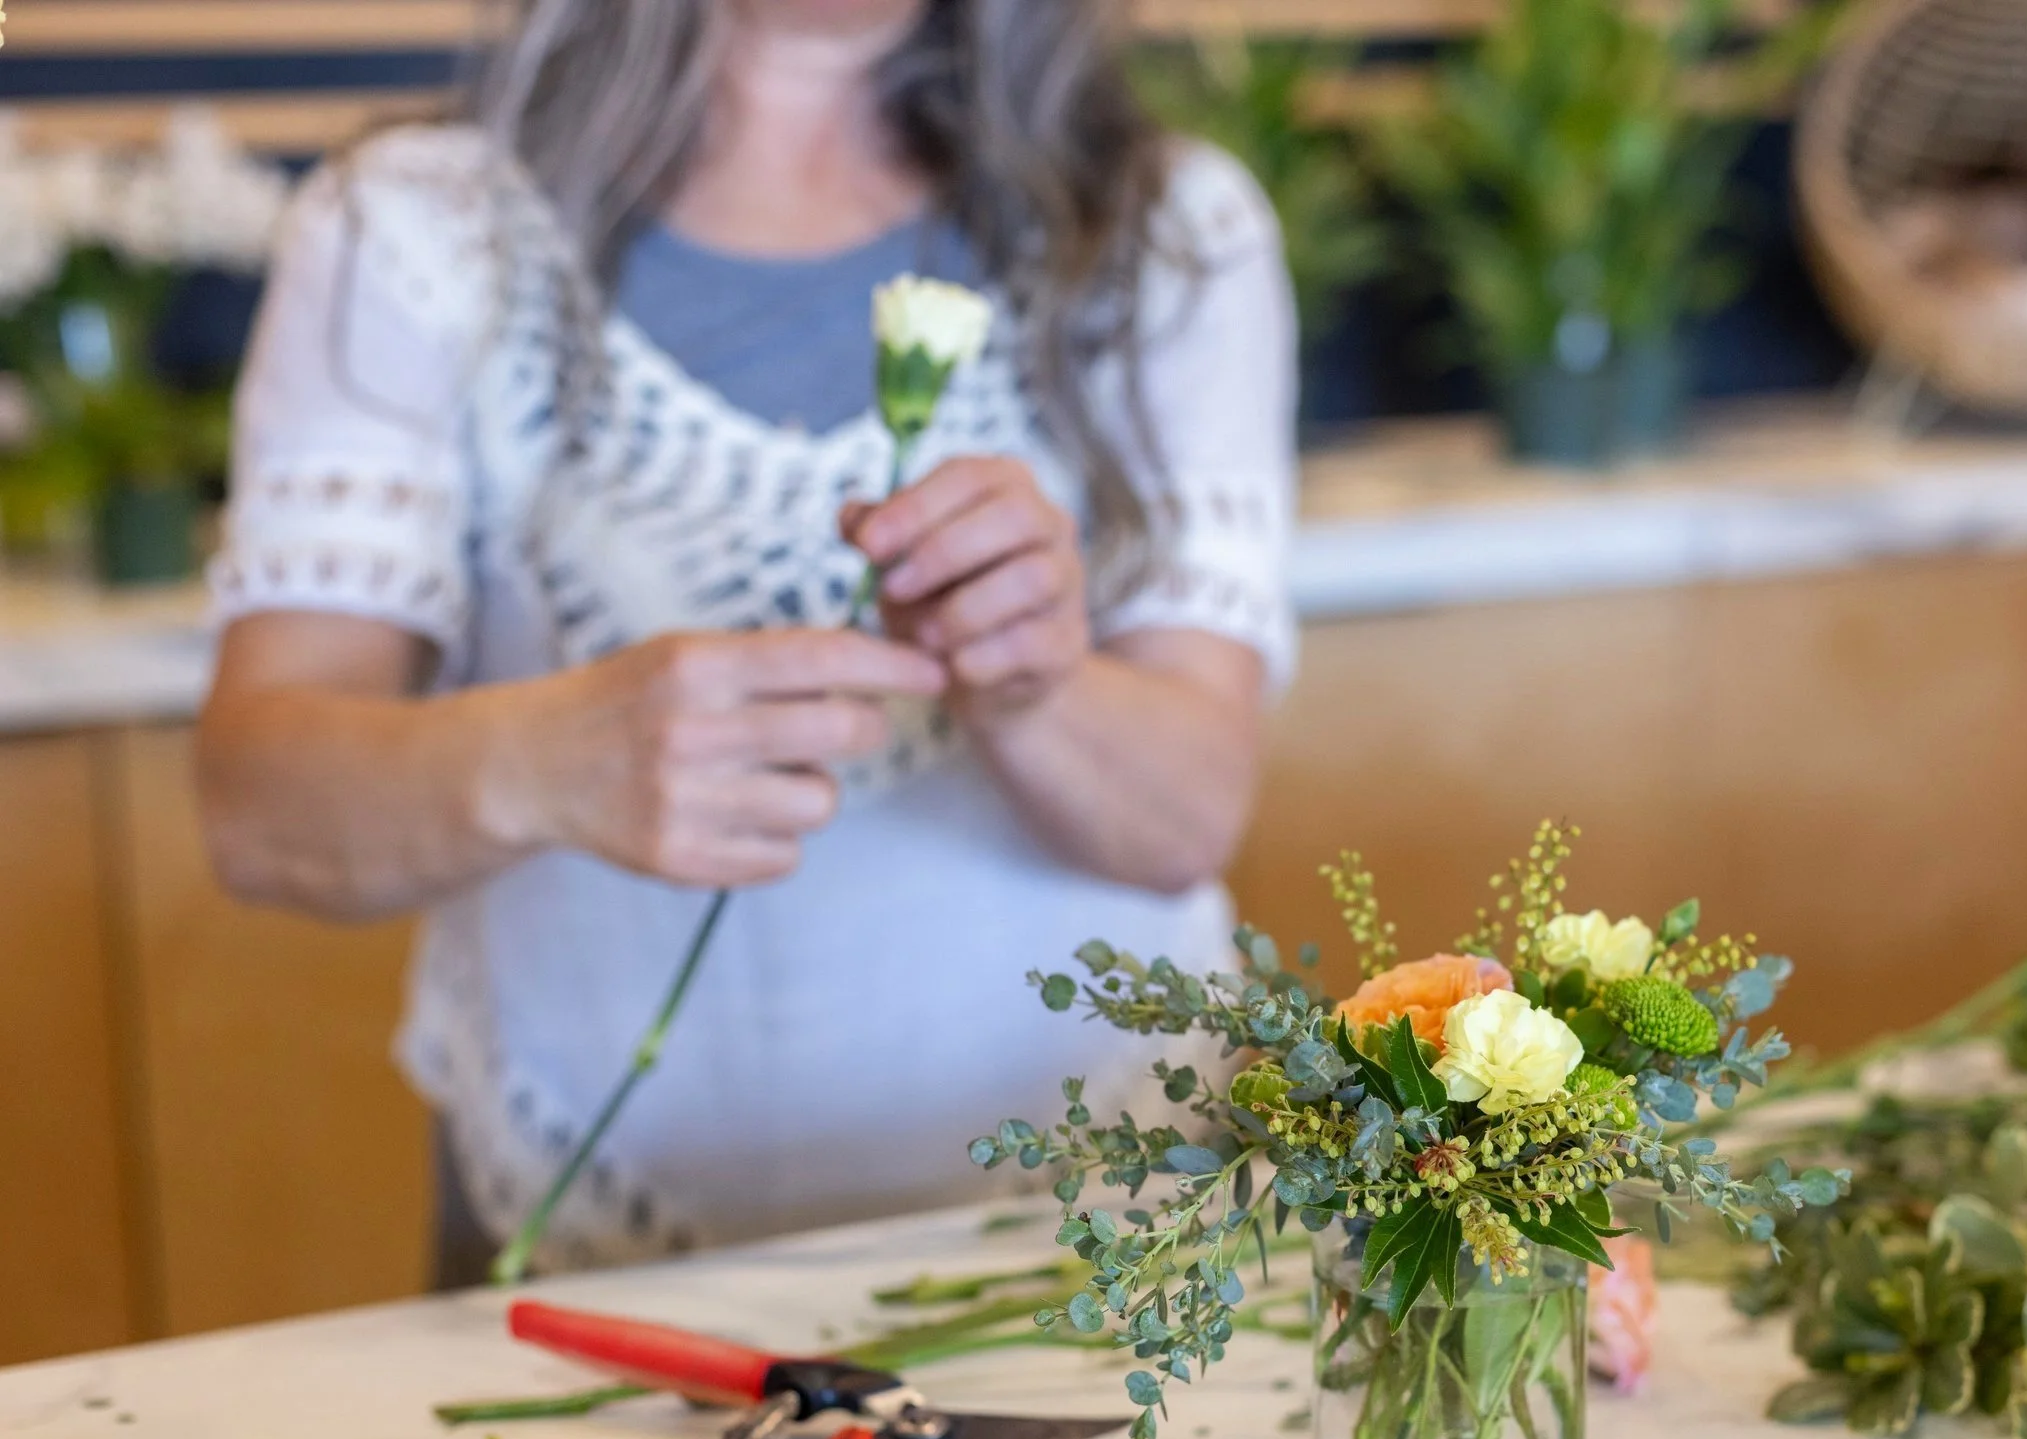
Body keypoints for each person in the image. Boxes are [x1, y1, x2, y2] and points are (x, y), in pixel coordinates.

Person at [195, 0, 1296, 1281]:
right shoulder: (418, 230)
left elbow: (1187, 819)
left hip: (1108, 1265)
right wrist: (540, 758)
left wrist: (1033, 682)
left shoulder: (1165, 233)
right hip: (589, 1277)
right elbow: (256, 808)